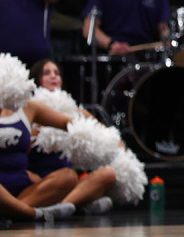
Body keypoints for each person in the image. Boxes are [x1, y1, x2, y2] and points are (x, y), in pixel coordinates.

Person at [26, 59, 117, 215]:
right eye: (47, 73)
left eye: (57, 73)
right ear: (36, 79)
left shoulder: (76, 111)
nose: (53, 76)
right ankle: (80, 204)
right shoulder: (30, 109)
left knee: (108, 174)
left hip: (72, 180)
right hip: (43, 182)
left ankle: (63, 207)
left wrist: (119, 145)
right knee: (67, 177)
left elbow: (106, 135)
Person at [0, 88, 99, 223]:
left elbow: (69, 123)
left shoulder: (29, 106)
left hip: (24, 188)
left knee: (68, 176)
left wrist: (100, 132)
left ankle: (10, 211)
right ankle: (34, 214)